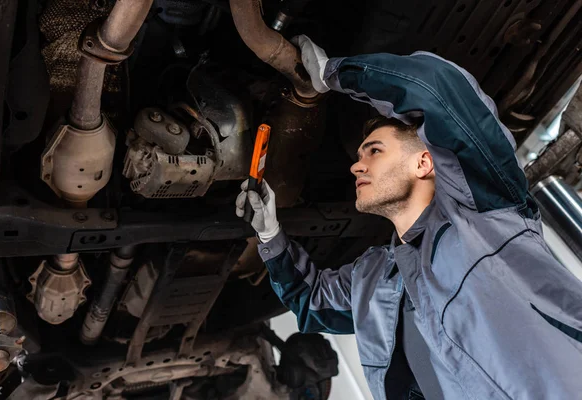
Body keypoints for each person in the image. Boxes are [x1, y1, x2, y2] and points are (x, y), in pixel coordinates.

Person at [235, 36, 582, 400]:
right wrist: (270, 232)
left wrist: (334, 74)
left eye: (374, 150)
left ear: (424, 162)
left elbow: (437, 91)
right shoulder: (373, 277)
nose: (356, 165)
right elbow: (312, 302)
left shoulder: (482, 216)